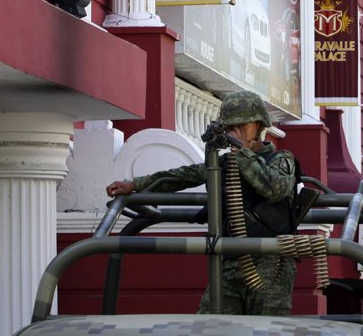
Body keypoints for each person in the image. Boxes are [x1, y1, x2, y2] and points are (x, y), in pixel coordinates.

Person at [106, 90, 297, 316]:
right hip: (231, 260)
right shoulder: (226, 163)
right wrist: (136, 184)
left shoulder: (281, 160)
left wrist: (244, 153)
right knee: (208, 324)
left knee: (267, 330)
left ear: (258, 125)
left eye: (242, 125)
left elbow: (275, 188)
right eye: (230, 127)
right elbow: (184, 175)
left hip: (270, 263)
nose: (235, 132)